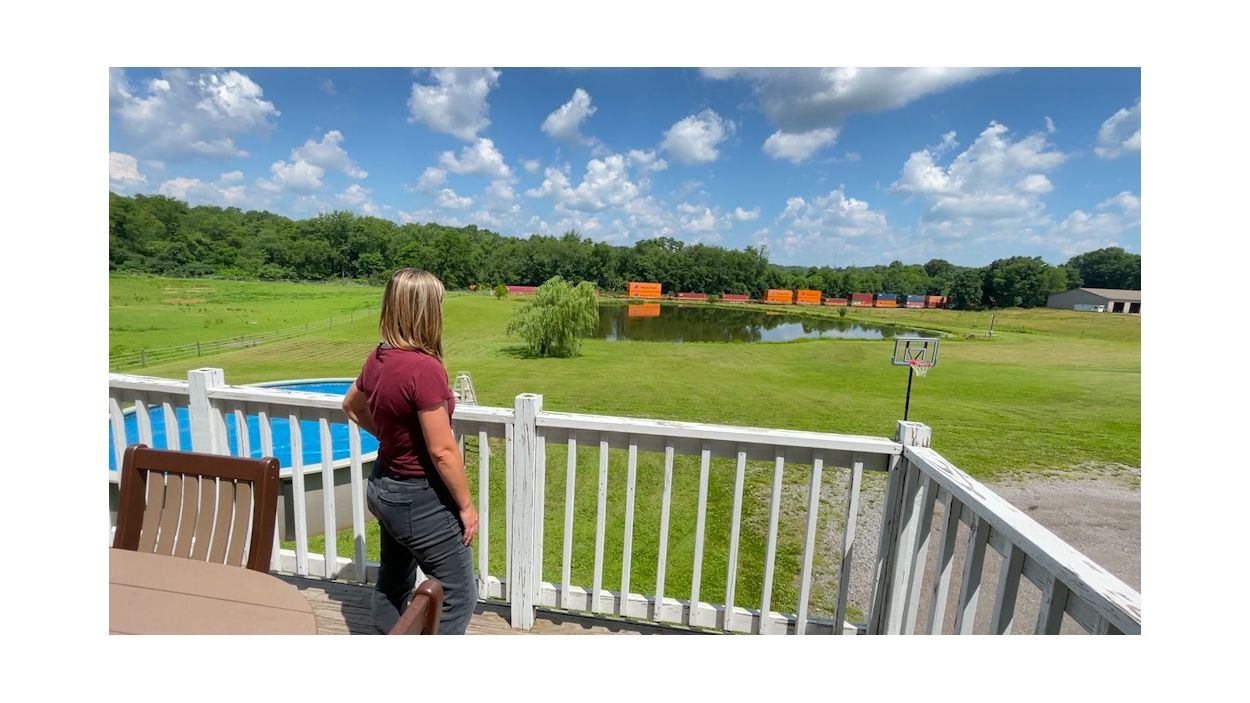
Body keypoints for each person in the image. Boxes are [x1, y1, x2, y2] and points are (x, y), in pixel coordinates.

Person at [342, 268, 479, 634]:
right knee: (458, 595)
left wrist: (391, 438)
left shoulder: (378, 357)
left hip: (384, 488)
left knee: (393, 582)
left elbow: (351, 405)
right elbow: (442, 451)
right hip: (418, 498)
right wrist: (466, 507)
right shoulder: (424, 368)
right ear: (426, 311)